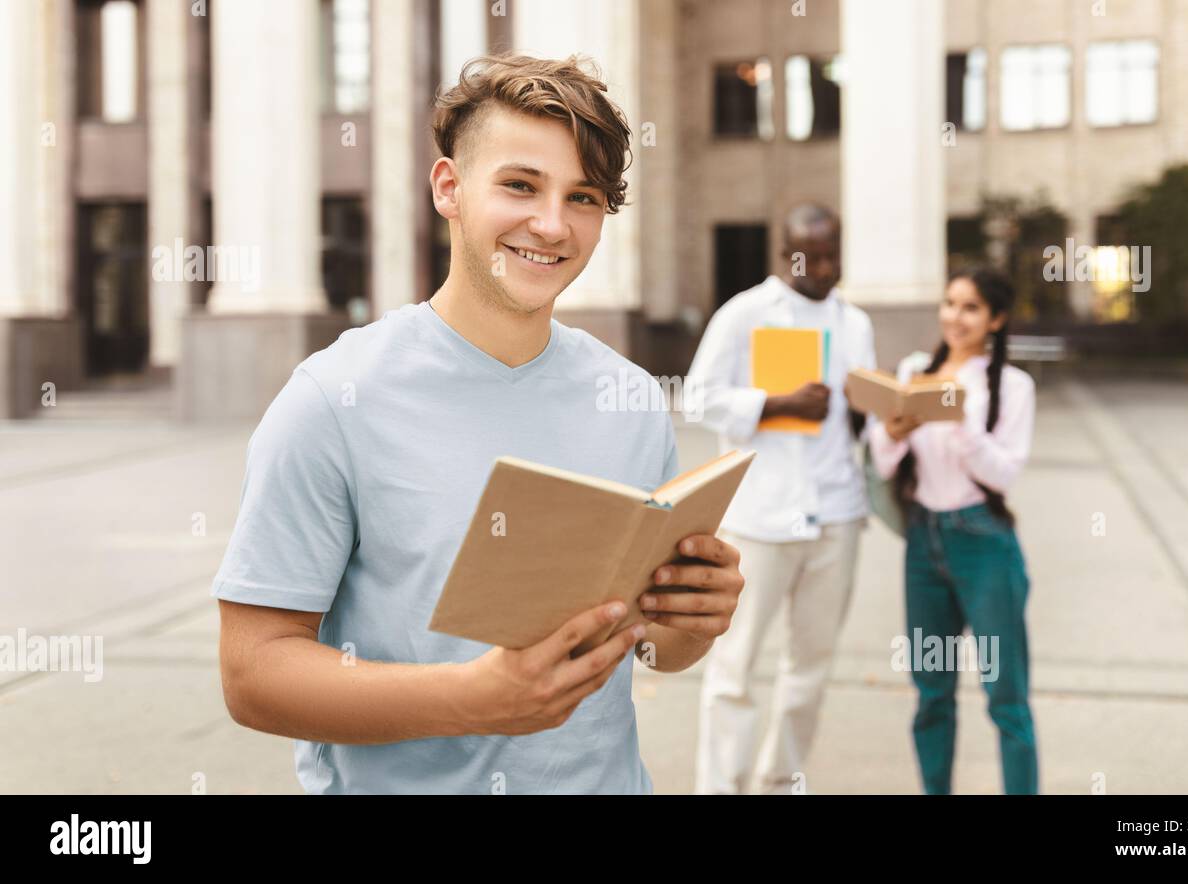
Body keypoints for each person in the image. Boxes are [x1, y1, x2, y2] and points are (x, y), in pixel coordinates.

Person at [210, 53, 746, 795]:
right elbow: (253, 671)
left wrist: (692, 618)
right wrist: (473, 700)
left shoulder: (629, 398)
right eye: (520, 185)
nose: (552, 225)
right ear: (449, 189)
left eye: (583, 197)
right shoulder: (333, 399)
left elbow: (650, 646)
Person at [688, 204, 877, 794]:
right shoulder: (746, 314)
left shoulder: (856, 323)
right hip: (761, 519)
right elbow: (698, 398)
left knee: (810, 669)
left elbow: (859, 418)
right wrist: (777, 404)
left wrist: (881, 416)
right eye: (809, 256)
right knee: (735, 667)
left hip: (837, 516)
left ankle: (777, 783)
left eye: (831, 255)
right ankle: (721, 787)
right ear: (785, 254)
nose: (821, 267)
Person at [868, 268, 1038, 794]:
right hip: (924, 542)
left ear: (996, 319)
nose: (955, 317)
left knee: (1004, 696)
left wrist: (957, 421)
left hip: (982, 543)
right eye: (949, 303)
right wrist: (895, 431)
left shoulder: (1013, 385)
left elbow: (1005, 473)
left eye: (970, 308)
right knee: (931, 693)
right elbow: (883, 460)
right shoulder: (916, 369)